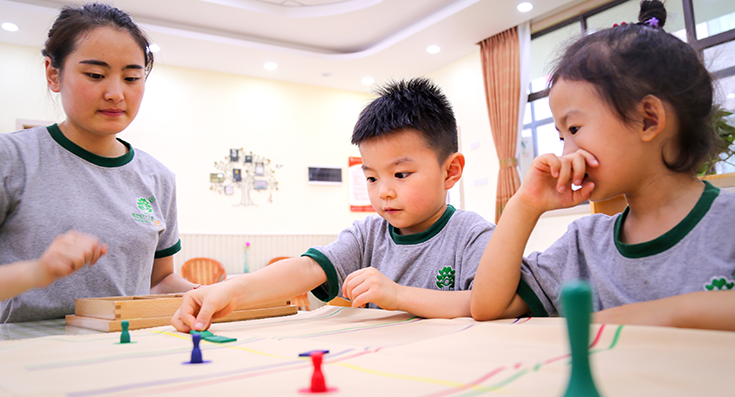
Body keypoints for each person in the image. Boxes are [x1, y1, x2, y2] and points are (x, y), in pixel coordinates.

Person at [470, 0, 735, 334]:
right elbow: (489, 306)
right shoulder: (585, 244)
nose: (566, 153)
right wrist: (526, 204)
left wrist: (668, 315)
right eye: (561, 137)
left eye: (574, 129)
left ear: (648, 119)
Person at [172, 78, 495, 332]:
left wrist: (397, 296)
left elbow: (488, 304)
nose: (383, 192)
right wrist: (231, 290)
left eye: (401, 174)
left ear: (450, 171)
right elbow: (308, 268)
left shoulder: (472, 235)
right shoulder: (368, 234)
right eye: (371, 178)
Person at [0, 2, 195, 322]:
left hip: (129, 353)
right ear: (53, 74)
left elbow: (160, 280)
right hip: (32, 361)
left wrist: (206, 292)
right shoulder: (8, 157)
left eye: (132, 78)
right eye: (95, 74)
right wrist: (37, 271)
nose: (115, 93)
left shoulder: (157, 176)